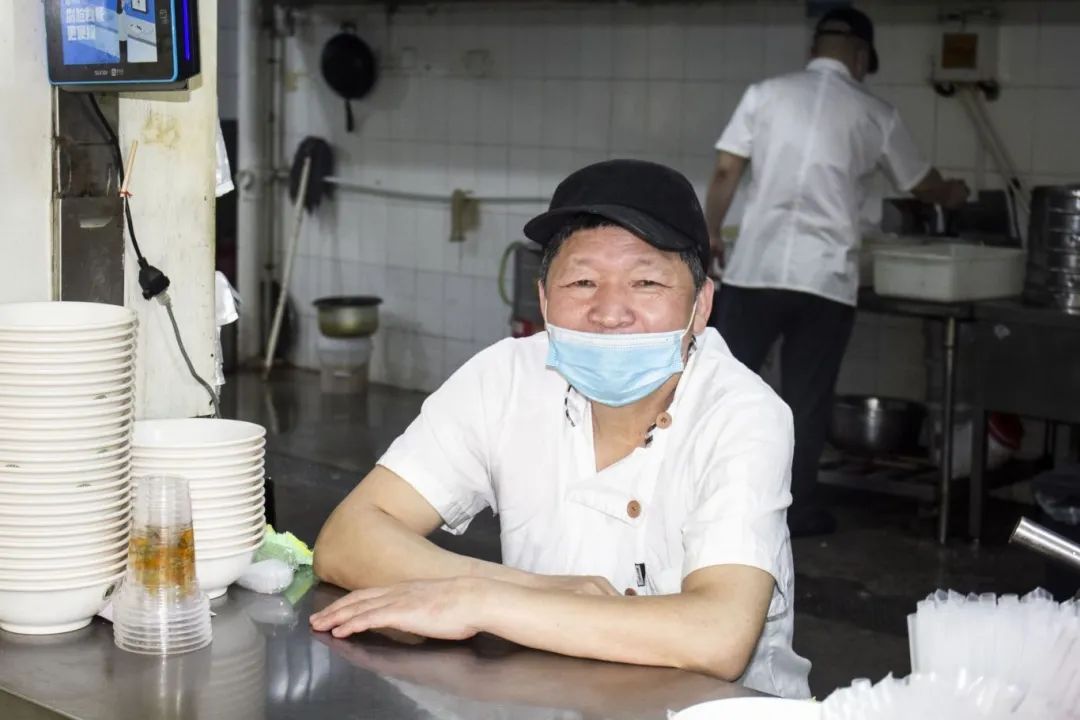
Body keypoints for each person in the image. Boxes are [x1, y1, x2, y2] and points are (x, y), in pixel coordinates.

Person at [311, 159, 812, 699]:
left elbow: (718, 636)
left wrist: (479, 602)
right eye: (582, 280)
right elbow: (347, 539)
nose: (610, 311)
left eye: (645, 281)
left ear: (700, 306)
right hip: (546, 695)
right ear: (545, 300)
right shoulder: (503, 378)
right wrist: (517, 588)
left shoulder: (742, 412)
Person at [704, 7, 970, 537]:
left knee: (718, 385)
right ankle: (795, 513)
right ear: (863, 55)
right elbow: (920, 182)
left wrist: (710, 231)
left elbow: (726, 168)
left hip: (755, 270)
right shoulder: (875, 112)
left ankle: (699, 496)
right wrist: (953, 192)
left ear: (813, 48)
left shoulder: (765, 93)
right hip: (824, 282)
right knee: (805, 399)